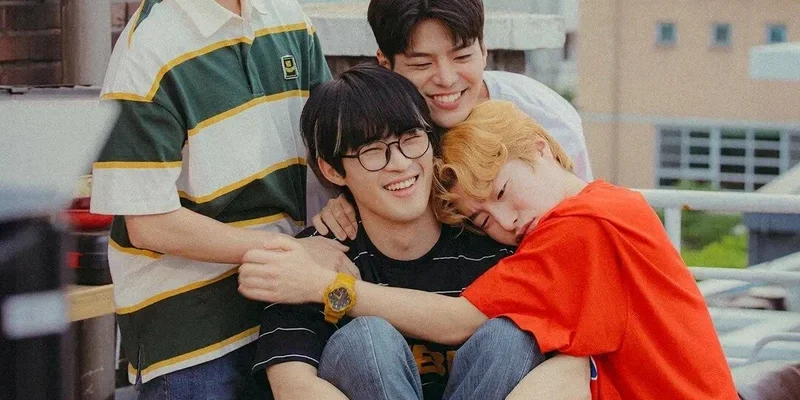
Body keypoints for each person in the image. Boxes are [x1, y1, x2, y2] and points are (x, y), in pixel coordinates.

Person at [240, 100, 740, 399]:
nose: (506, 222)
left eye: (502, 191)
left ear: (541, 147)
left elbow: (458, 320)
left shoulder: (581, 227)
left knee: (518, 344)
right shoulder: (609, 206)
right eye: (482, 220)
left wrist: (329, 287)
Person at [238, 65, 590, 400]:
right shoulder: (313, 258)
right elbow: (294, 389)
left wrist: (332, 289)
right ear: (332, 170)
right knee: (367, 341)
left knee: (510, 337)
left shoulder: (490, 237)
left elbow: (572, 366)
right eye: (372, 151)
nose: (401, 163)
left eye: (410, 139)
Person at [90, 0, 348, 398]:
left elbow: (330, 145)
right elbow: (149, 224)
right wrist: (291, 251)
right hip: (195, 340)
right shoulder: (148, 50)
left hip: (290, 314)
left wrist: (342, 200)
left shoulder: (288, 17)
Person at [315, 0, 592, 241]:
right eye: (422, 64)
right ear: (386, 64)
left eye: (462, 56)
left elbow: (586, 209)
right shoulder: (361, 130)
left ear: (483, 49)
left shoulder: (545, 115)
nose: (447, 79)